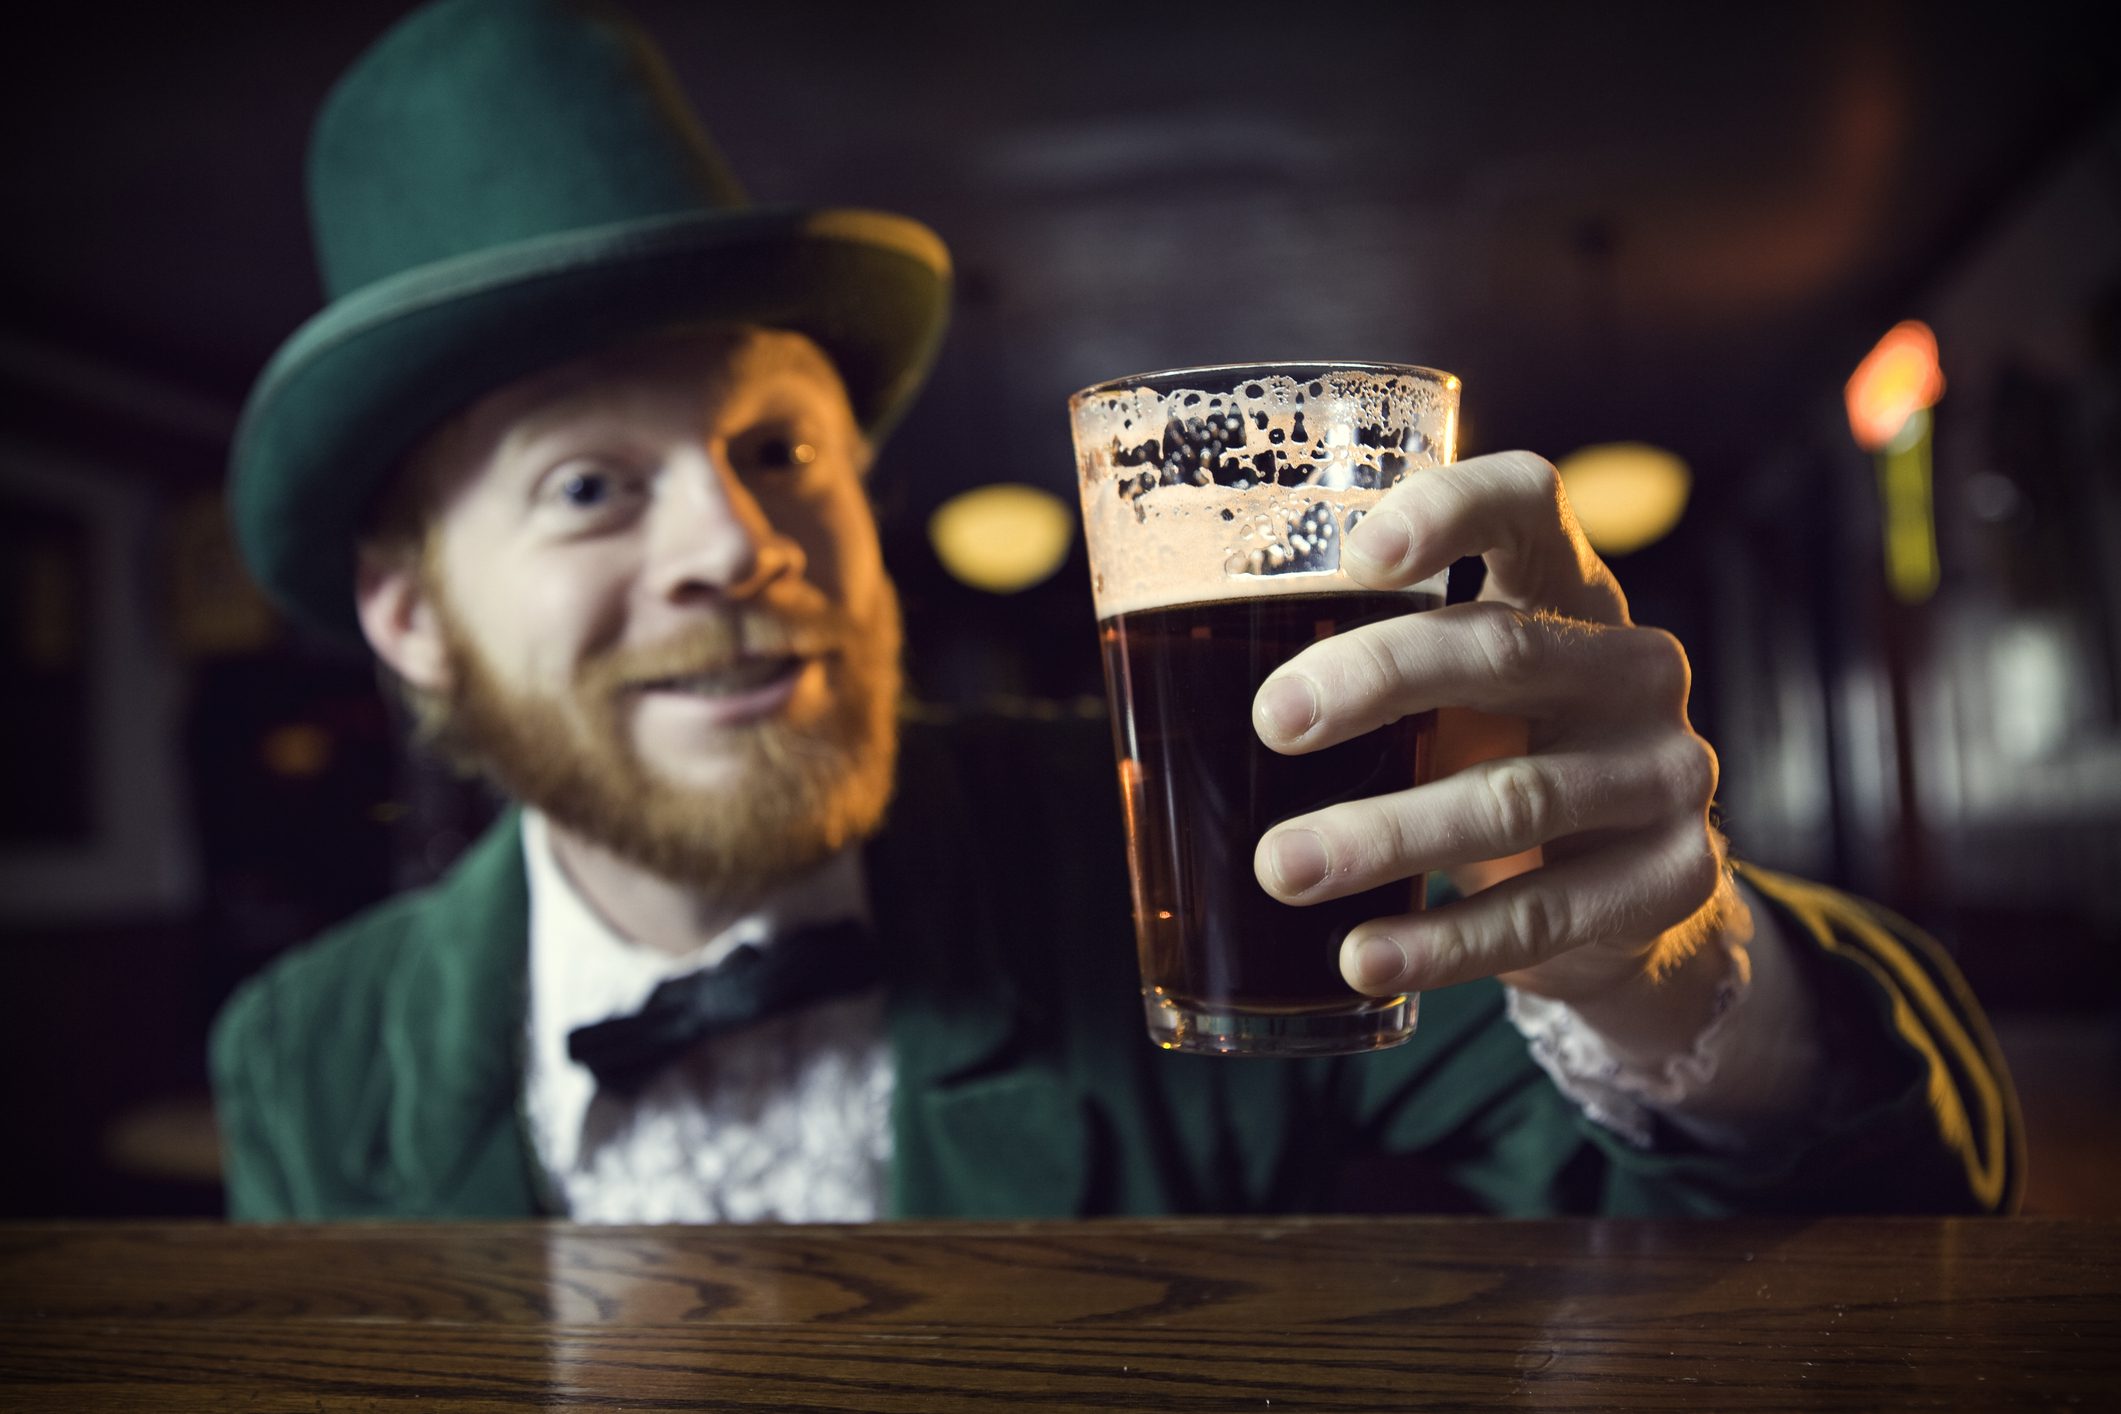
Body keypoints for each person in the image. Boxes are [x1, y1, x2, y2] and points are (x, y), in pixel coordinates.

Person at [210, 0, 2021, 1222]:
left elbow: (1850, 1225)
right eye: (590, 486)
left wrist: (1669, 967)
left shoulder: (1183, 858)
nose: (734, 545)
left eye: (780, 449)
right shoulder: (301, 1057)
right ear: (409, 615)